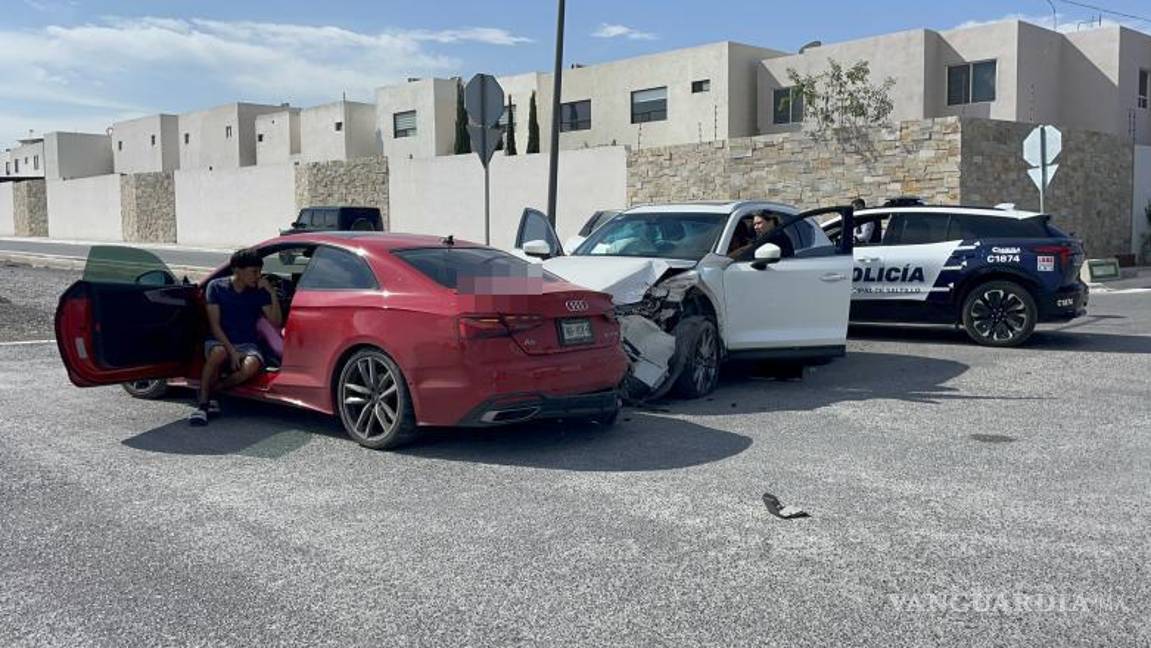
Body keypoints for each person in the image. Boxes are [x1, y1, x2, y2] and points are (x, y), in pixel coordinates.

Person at [190, 248, 282, 426]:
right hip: (219, 340)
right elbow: (215, 325)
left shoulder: (258, 291)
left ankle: (213, 390)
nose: (257, 276)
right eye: (253, 272)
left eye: (259, 271)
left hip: (247, 342)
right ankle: (202, 405)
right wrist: (232, 352)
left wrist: (271, 292)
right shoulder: (216, 287)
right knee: (219, 353)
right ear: (237, 270)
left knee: (251, 366)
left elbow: (276, 322)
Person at [729, 211, 795, 261]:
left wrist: (728, 259)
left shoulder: (777, 237)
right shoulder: (763, 236)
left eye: (759, 223)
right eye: (754, 224)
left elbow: (749, 250)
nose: (756, 227)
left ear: (771, 222)